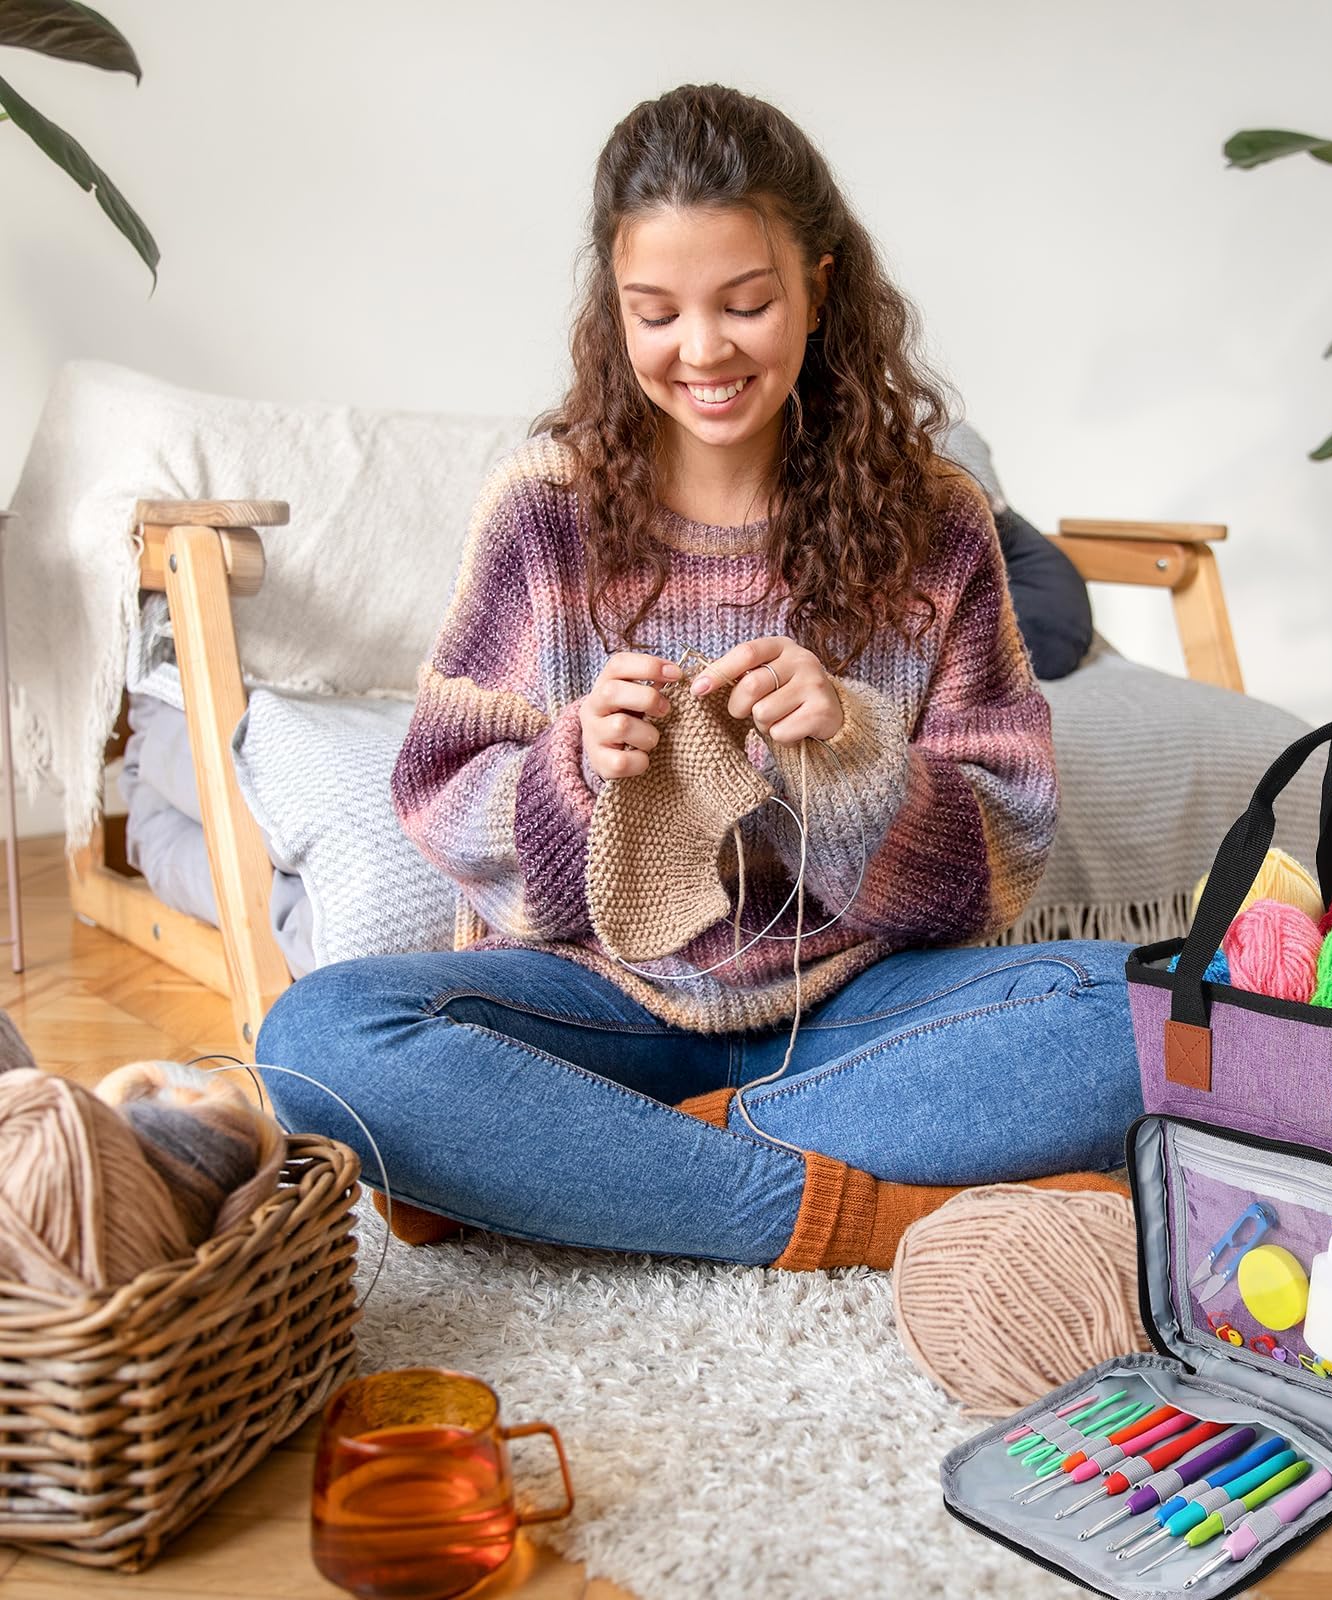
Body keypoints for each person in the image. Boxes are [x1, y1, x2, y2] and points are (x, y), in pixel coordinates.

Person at [257, 82, 1142, 1271]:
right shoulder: (544, 509)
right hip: (596, 1009)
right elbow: (439, 791)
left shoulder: (937, 522)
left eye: (746, 303)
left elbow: (1001, 863)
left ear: (820, 286)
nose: (703, 350)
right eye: (656, 312)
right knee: (320, 1039)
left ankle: (596, 1165)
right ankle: (839, 1208)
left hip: (853, 1018)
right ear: (613, 312)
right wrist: (574, 768)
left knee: (1158, 1006)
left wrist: (855, 753)